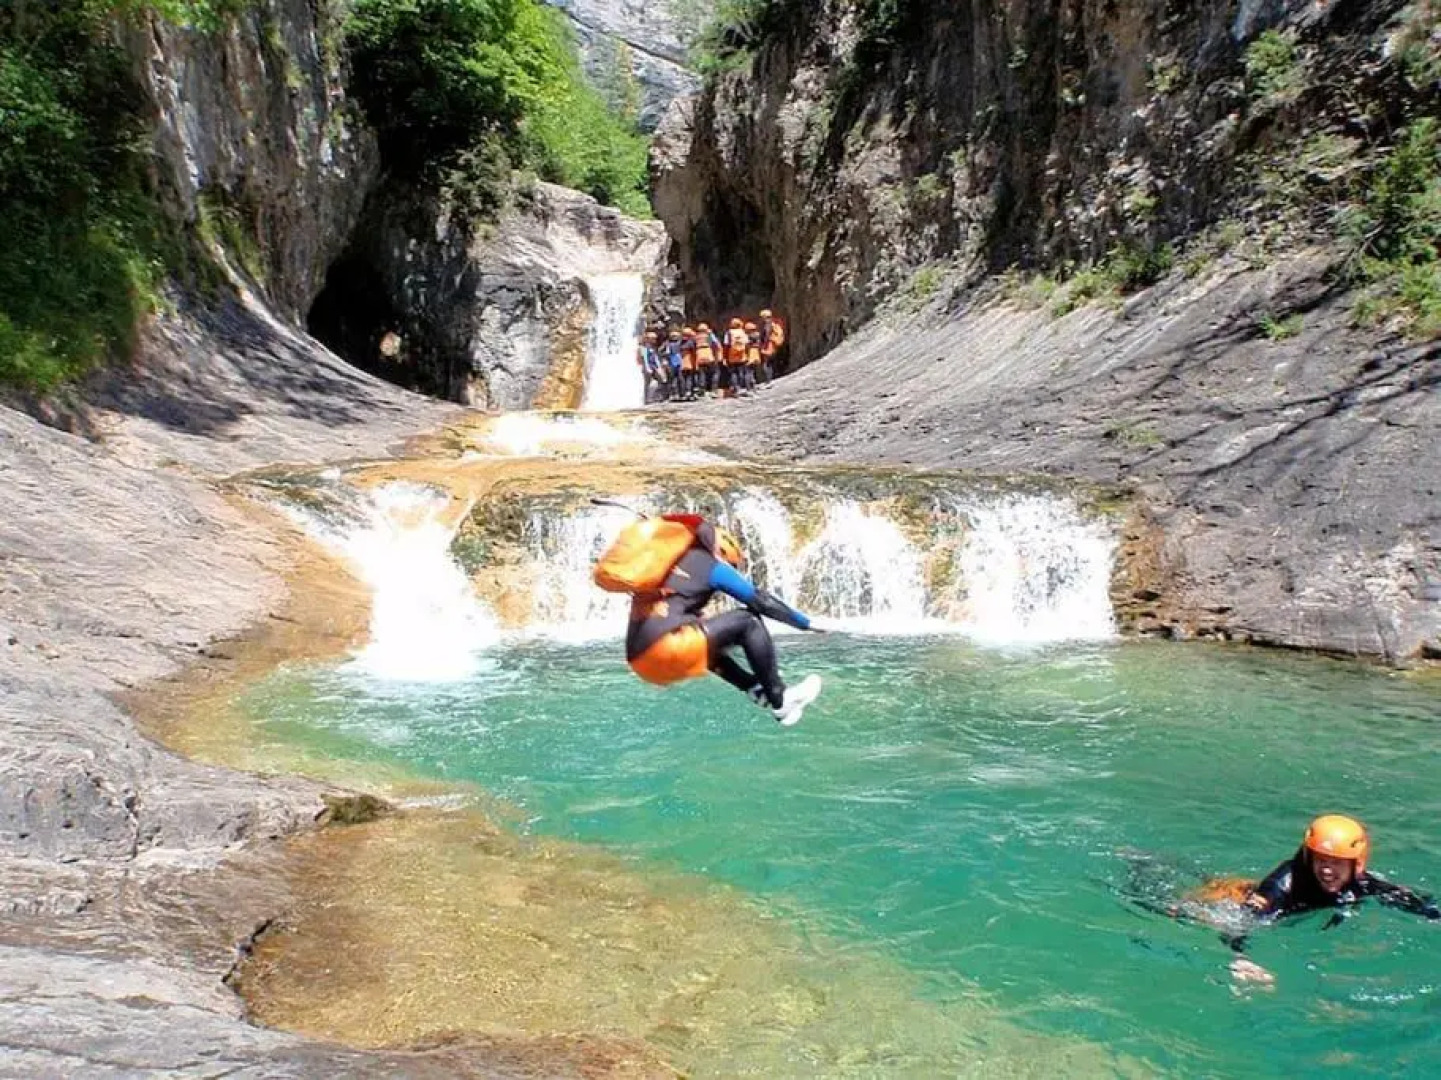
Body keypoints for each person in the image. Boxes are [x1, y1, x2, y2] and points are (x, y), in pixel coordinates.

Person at [1147, 815, 1440, 986]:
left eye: (1337, 862)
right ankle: (1144, 862)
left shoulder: (1362, 882)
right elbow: (1241, 921)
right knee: (1171, 908)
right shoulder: (1283, 883)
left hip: (1249, 888)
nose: (1327, 869)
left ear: (1356, 864)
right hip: (1235, 896)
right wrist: (1241, 958)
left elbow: (1410, 901)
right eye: (1320, 860)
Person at [599, 514, 825, 725]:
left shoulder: (660, 566)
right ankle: (779, 698)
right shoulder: (712, 566)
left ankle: (754, 688)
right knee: (748, 622)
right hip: (666, 649)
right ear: (722, 553)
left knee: (700, 635)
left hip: (640, 661)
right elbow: (760, 601)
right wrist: (805, 623)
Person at [722, 317, 748, 397]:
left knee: (733, 372)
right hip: (742, 355)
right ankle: (742, 387)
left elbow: (726, 345)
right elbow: (747, 343)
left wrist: (724, 357)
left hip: (732, 355)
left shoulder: (729, 333)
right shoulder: (743, 332)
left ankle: (735, 388)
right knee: (741, 371)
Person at [758, 308, 784, 386]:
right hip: (774, 345)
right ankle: (772, 378)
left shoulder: (768, 325)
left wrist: (762, 346)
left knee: (766, 364)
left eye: (762, 317)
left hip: (769, 345)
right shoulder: (774, 323)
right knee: (771, 362)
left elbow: (766, 336)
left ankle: (769, 380)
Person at [695, 322, 721, 394]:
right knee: (715, 372)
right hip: (708, 354)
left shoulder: (696, 336)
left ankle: (702, 390)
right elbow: (716, 344)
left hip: (699, 355)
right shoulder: (709, 335)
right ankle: (714, 390)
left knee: (702, 373)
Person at [743, 321, 763, 393]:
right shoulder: (757, 335)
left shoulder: (747, 336)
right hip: (756, 354)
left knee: (748, 372)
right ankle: (754, 386)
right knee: (753, 371)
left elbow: (746, 346)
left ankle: (748, 388)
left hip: (749, 354)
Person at [680, 326, 699, 400]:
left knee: (683, 379)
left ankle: (684, 392)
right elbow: (694, 353)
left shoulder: (680, 342)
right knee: (689, 378)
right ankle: (689, 392)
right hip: (689, 362)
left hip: (681, 363)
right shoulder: (690, 342)